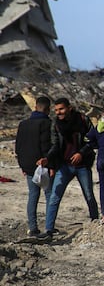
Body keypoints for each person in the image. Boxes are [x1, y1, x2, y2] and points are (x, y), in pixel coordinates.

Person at [39, 97, 99, 240]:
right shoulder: (56, 124)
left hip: (82, 165)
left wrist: (81, 153)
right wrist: (48, 159)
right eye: (56, 110)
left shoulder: (83, 120)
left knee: (89, 195)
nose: (59, 112)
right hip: (64, 166)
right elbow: (55, 145)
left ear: (69, 108)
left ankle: (96, 223)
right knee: (55, 197)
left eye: (61, 109)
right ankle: (48, 229)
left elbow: (92, 140)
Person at [15, 95, 53, 236]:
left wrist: (22, 166)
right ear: (48, 109)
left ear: (35, 107)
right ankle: (49, 226)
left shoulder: (23, 124)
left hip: (28, 165)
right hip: (43, 165)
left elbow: (18, 146)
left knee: (33, 195)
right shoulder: (46, 124)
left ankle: (33, 227)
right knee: (49, 195)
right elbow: (45, 145)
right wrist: (50, 162)